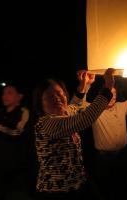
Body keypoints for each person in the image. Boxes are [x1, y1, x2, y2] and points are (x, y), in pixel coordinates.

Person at [32, 68, 115, 200]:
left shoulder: (65, 113)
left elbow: (75, 104)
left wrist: (85, 84)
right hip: (56, 191)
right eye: (49, 96)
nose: (57, 98)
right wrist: (108, 87)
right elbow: (86, 118)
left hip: (78, 183)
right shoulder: (47, 123)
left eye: (60, 93)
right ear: (40, 103)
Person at [79, 71, 127, 200]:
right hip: (103, 160)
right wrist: (86, 84)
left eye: (115, 93)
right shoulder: (95, 110)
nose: (112, 96)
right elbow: (80, 104)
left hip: (122, 157)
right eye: (109, 93)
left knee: (122, 190)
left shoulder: (121, 106)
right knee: (104, 191)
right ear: (103, 95)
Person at [0, 83, 31, 200]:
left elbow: (18, 132)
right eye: (4, 93)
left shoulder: (23, 112)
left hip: (17, 170)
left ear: (19, 96)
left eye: (9, 93)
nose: (4, 96)